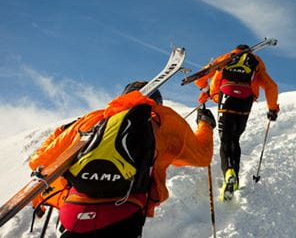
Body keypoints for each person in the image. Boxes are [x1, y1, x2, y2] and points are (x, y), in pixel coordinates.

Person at [28, 81, 216, 238]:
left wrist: (60, 132)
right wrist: (205, 124)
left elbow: (39, 162)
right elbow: (201, 156)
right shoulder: (164, 122)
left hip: (74, 214)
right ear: (157, 102)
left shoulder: (92, 120)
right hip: (124, 214)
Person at [194, 44, 279, 200]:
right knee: (235, 139)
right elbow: (271, 86)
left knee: (225, 139)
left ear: (236, 50)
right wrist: (272, 109)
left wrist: (206, 90)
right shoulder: (256, 63)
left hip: (226, 95)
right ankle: (235, 177)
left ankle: (228, 173)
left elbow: (201, 76)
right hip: (245, 100)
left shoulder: (227, 58)